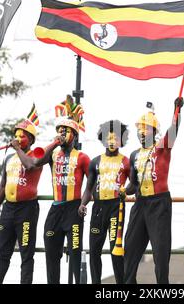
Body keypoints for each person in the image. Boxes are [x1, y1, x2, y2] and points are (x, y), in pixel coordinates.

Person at [19, 115, 90, 284]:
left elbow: (91, 184)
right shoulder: (54, 154)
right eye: (59, 130)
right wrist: (54, 143)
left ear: (75, 135)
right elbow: (36, 162)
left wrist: (83, 203)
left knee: (74, 254)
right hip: (55, 209)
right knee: (51, 254)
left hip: (74, 209)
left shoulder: (82, 157)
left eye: (65, 131)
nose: (61, 133)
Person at [123, 97, 183, 284]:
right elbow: (133, 185)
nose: (141, 131)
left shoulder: (162, 148)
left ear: (154, 130)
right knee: (130, 248)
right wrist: (122, 191)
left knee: (160, 253)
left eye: (146, 128)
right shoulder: (133, 155)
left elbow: (173, 131)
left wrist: (177, 110)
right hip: (140, 204)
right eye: (139, 128)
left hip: (159, 204)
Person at [0, 118, 43, 284]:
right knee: (2, 253)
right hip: (8, 209)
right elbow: (2, 186)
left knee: (26, 254)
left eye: (23, 136)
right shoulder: (9, 158)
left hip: (27, 210)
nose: (18, 138)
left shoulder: (38, 155)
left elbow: (28, 165)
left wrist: (18, 148)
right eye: (17, 135)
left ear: (31, 140)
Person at [78, 120, 130, 284]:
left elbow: (135, 184)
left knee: (116, 249)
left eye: (116, 137)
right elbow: (88, 188)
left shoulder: (126, 161)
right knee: (94, 250)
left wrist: (126, 191)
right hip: (98, 208)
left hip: (117, 207)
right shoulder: (95, 162)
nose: (112, 141)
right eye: (109, 137)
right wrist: (83, 204)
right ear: (103, 139)